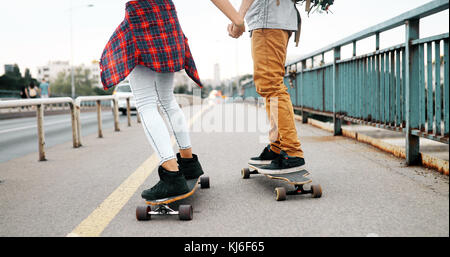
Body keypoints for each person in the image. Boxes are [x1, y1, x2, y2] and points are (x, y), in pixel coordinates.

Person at [221, 0, 306, 174]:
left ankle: (292, 152)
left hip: (268, 19)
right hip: (278, 18)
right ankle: (277, 146)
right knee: (269, 87)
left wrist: (239, 18)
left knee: (271, 86)